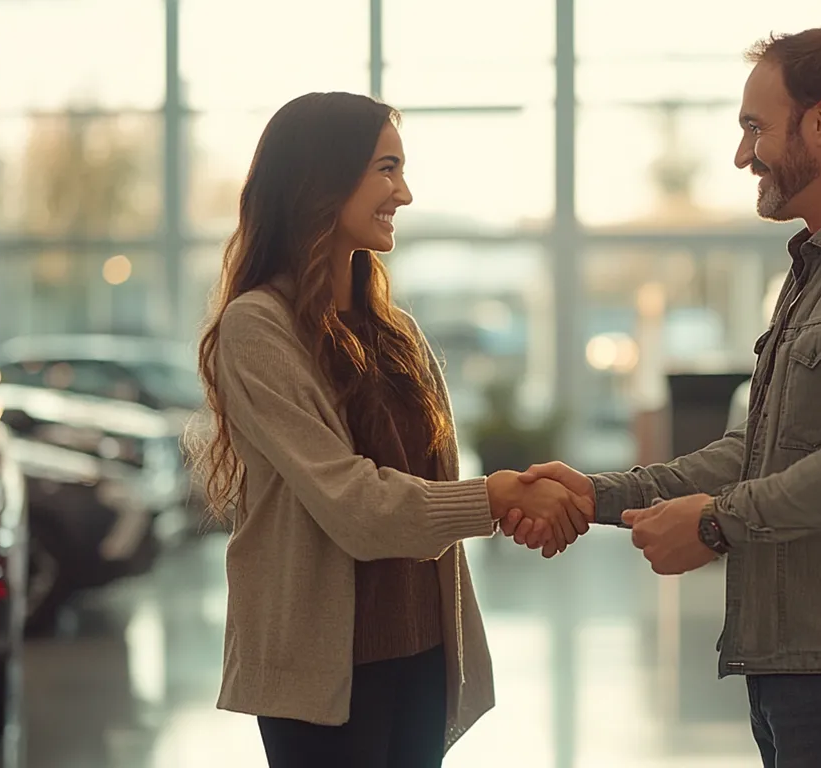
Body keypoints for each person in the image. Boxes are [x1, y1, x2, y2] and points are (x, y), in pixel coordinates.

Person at [510, 28, 821, 768]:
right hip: (794, 670)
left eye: (754, 127)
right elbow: (758, 450)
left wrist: (710, 525)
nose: (743, 155)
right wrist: (602, 493)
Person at [190, 92, 592, 768]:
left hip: (423, 652)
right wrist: (497, 499)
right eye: (385, 168)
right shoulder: (257, 326)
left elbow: (424, 488)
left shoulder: (395, 332)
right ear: (322, 177)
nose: (402, 192)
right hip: (324, 674)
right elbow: (355, 505)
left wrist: (515, 501)